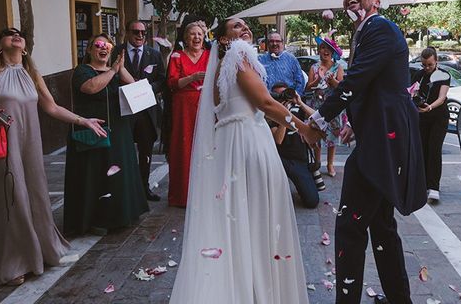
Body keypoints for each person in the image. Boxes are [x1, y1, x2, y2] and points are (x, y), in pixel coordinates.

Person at [169, 18, 317, 303]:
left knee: (235, 215)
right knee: (259, 213)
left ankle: (240, 283)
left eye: (246, 25)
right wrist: (304, 129)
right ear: (224, 40)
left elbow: (218, 109)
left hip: (228, 145)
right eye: (236, 26)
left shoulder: (219, 70)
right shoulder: (238, 57)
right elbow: (265, 103)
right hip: (248, 140)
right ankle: (257, 287)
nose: (245, 28)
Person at [309, 0, 426, 303]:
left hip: (384, 141)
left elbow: (357, 80)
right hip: (379, 135)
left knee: (350, 226)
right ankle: (399, 298)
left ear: (376, 1)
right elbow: (375, 86)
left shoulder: (381, 28)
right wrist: (357, 125)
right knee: (382, 226)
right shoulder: (363, 33)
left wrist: (319, 119)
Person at [0, 28, 106, 286]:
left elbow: (51, 107)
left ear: (25, 47)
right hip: (3, 146)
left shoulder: (32, 74)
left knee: (35, 195)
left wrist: (82, 120)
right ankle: (12, 263)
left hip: (30, 143)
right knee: (11, 199)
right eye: (8, 34)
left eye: (19, 34)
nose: (15, 36)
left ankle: (42, 252)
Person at [64, 34, 149, 236]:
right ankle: (94, 219)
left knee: (119, 173)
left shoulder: (115, 71)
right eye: (99, 45)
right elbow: (91, 87)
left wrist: (120, 67)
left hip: (118, 130)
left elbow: (136, 87)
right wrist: (112, 70)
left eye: (107, 45)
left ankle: (121, 216)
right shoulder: (82, 71)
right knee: (95, 175)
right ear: (90, 49)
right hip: (92, 130)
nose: (103, 48)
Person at [113, 20, 165, 201]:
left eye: (143, 32)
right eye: (136, 32)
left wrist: (149, 88)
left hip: (146, 112)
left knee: (145, 153)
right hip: (123, 111)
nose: (140, 36)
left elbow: (162, 79)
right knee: (123, 151)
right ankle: (125, 191)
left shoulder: (155, 54)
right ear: (127, 33)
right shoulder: (115, 52)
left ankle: (144, 188)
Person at [166, 21, 210, 207]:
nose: (196, 37)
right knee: (183, 147)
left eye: (200, 34)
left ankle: (205, 193)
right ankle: (182, 195)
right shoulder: (177, 56)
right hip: (183, 106)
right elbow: (171, 83)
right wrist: (192, 78)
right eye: (192, 34)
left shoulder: (210, 55)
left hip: (205, 104)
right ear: (186, 37)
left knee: (206, 146)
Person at [269, 82, 320, 209]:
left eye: (286, 94)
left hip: (299, 161)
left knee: (312, 202)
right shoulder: (270, 115)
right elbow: (278, 140)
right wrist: (283, 114)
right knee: (273, 199)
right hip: (280, 161)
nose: (284, 98)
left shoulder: (298, 110)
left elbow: (319, 119)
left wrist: (300, 103)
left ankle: (300, 185)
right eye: (280, 95)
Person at [411, 47, 450, 203]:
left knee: (434, 149)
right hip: (422, 117)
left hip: (438, 116)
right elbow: (412, 92)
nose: (427, 68)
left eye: (430, 65)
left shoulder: (444, 75)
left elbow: (442, 97)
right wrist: (416, 100)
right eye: (424, 65)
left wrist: (430, 107)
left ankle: (434, 187)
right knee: (422, 149)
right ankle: (423, 184)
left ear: (436, 62)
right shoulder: (419, 75)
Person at [305, 35, 347, 177]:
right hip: (317, 106)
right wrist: (317, 80)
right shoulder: (314, 67)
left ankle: (330, 164)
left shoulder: (338, 67)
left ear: (333, 52)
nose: (325, 51)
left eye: (328, 48)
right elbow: (308, 87)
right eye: (322, 47)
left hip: (333, 107)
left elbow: (341, 87)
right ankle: (317, 163)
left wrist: (333, 81)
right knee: (316, 135)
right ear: (319, 50)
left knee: (332, 138)